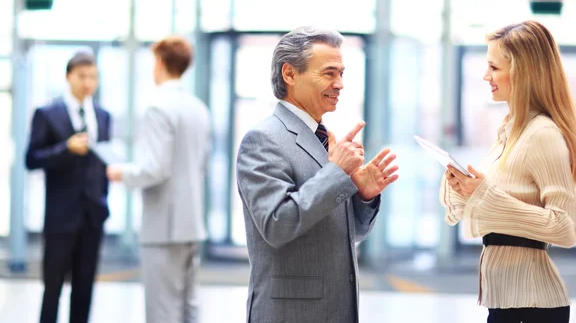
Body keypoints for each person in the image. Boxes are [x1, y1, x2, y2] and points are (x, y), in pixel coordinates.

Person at [236, 26, 399, 323]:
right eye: (329, 73)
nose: (339, 84)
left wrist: (361, 196)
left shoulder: (322, 138)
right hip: (291, 313)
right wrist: (336, 173)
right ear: (289, 74)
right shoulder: (263, 139)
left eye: (342, 74)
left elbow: (348, 234)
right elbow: (277, 225)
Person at [440, 20, 576, 323]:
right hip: (506, 301)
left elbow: (565, 228)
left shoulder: (542, 134)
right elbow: (481, 210)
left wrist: (484, 196)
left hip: (532, 304)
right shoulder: (510, 131)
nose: (485, 76)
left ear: (522, 71)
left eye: (494, 67)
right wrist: (462, 188)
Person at [106, 35, 211, 323]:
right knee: (189, 306)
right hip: (191, 224)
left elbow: (155, 169)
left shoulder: (157, 107)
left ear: (160, 62)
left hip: (163, 227)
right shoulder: (198, 108)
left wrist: (121, 173)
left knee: (162, 310)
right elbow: (200, 164)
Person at [25, 52, 112, 323]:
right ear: (68, 77)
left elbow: (103, 162)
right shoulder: (47, 114)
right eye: (82, 76)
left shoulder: (103, 115)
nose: (88, 83)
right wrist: (65, 149)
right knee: (53, 289)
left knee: (85, 289)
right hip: (61, 218)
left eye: (93, 77)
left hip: (93, 217)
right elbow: (32, 159)